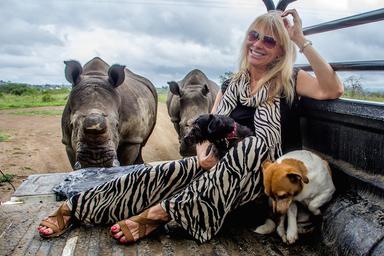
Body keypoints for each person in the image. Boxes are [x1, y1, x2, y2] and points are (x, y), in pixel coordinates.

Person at [37, 9, 343, 244]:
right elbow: (204, 127)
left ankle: (159, 213)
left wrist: (301, 40)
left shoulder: (291, 80)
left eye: (269, 40)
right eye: (254, 35)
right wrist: (201, 154)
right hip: (216, 172)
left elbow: (332, 89)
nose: (258, 44)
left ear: (280, 50)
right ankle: (76, 208)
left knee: (252, 145)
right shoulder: (230, 85)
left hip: (258, 179)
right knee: (159, 172)